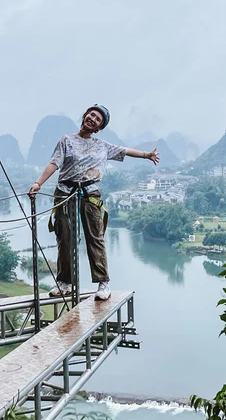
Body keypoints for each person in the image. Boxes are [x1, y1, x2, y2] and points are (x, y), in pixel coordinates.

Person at [28, 104, 160, 301]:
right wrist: (39, 182)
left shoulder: (102, 146)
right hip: (65, 192)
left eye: (98, 119)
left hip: (90, 193)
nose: (93, 119)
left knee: (94, 237)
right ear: (84, 116)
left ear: (99, 128)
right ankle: (65, 282)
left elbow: (125, 151)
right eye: (91, 115)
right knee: (64, 237)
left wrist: (146, 155)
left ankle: (103, 282)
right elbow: (54, 163)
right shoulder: (66, 140)